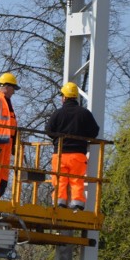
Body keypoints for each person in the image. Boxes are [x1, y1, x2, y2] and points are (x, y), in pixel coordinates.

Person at [45, 82, 100, 210]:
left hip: (60, 154)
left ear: (64, 97)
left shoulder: (58, 113)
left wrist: (57, 137)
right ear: (76, 97)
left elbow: (49, 131)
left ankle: (59, 204)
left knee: (60, 180)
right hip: (78, 155)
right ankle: (77, 204)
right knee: (77, 181)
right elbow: (94, 132)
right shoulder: (84, 113)